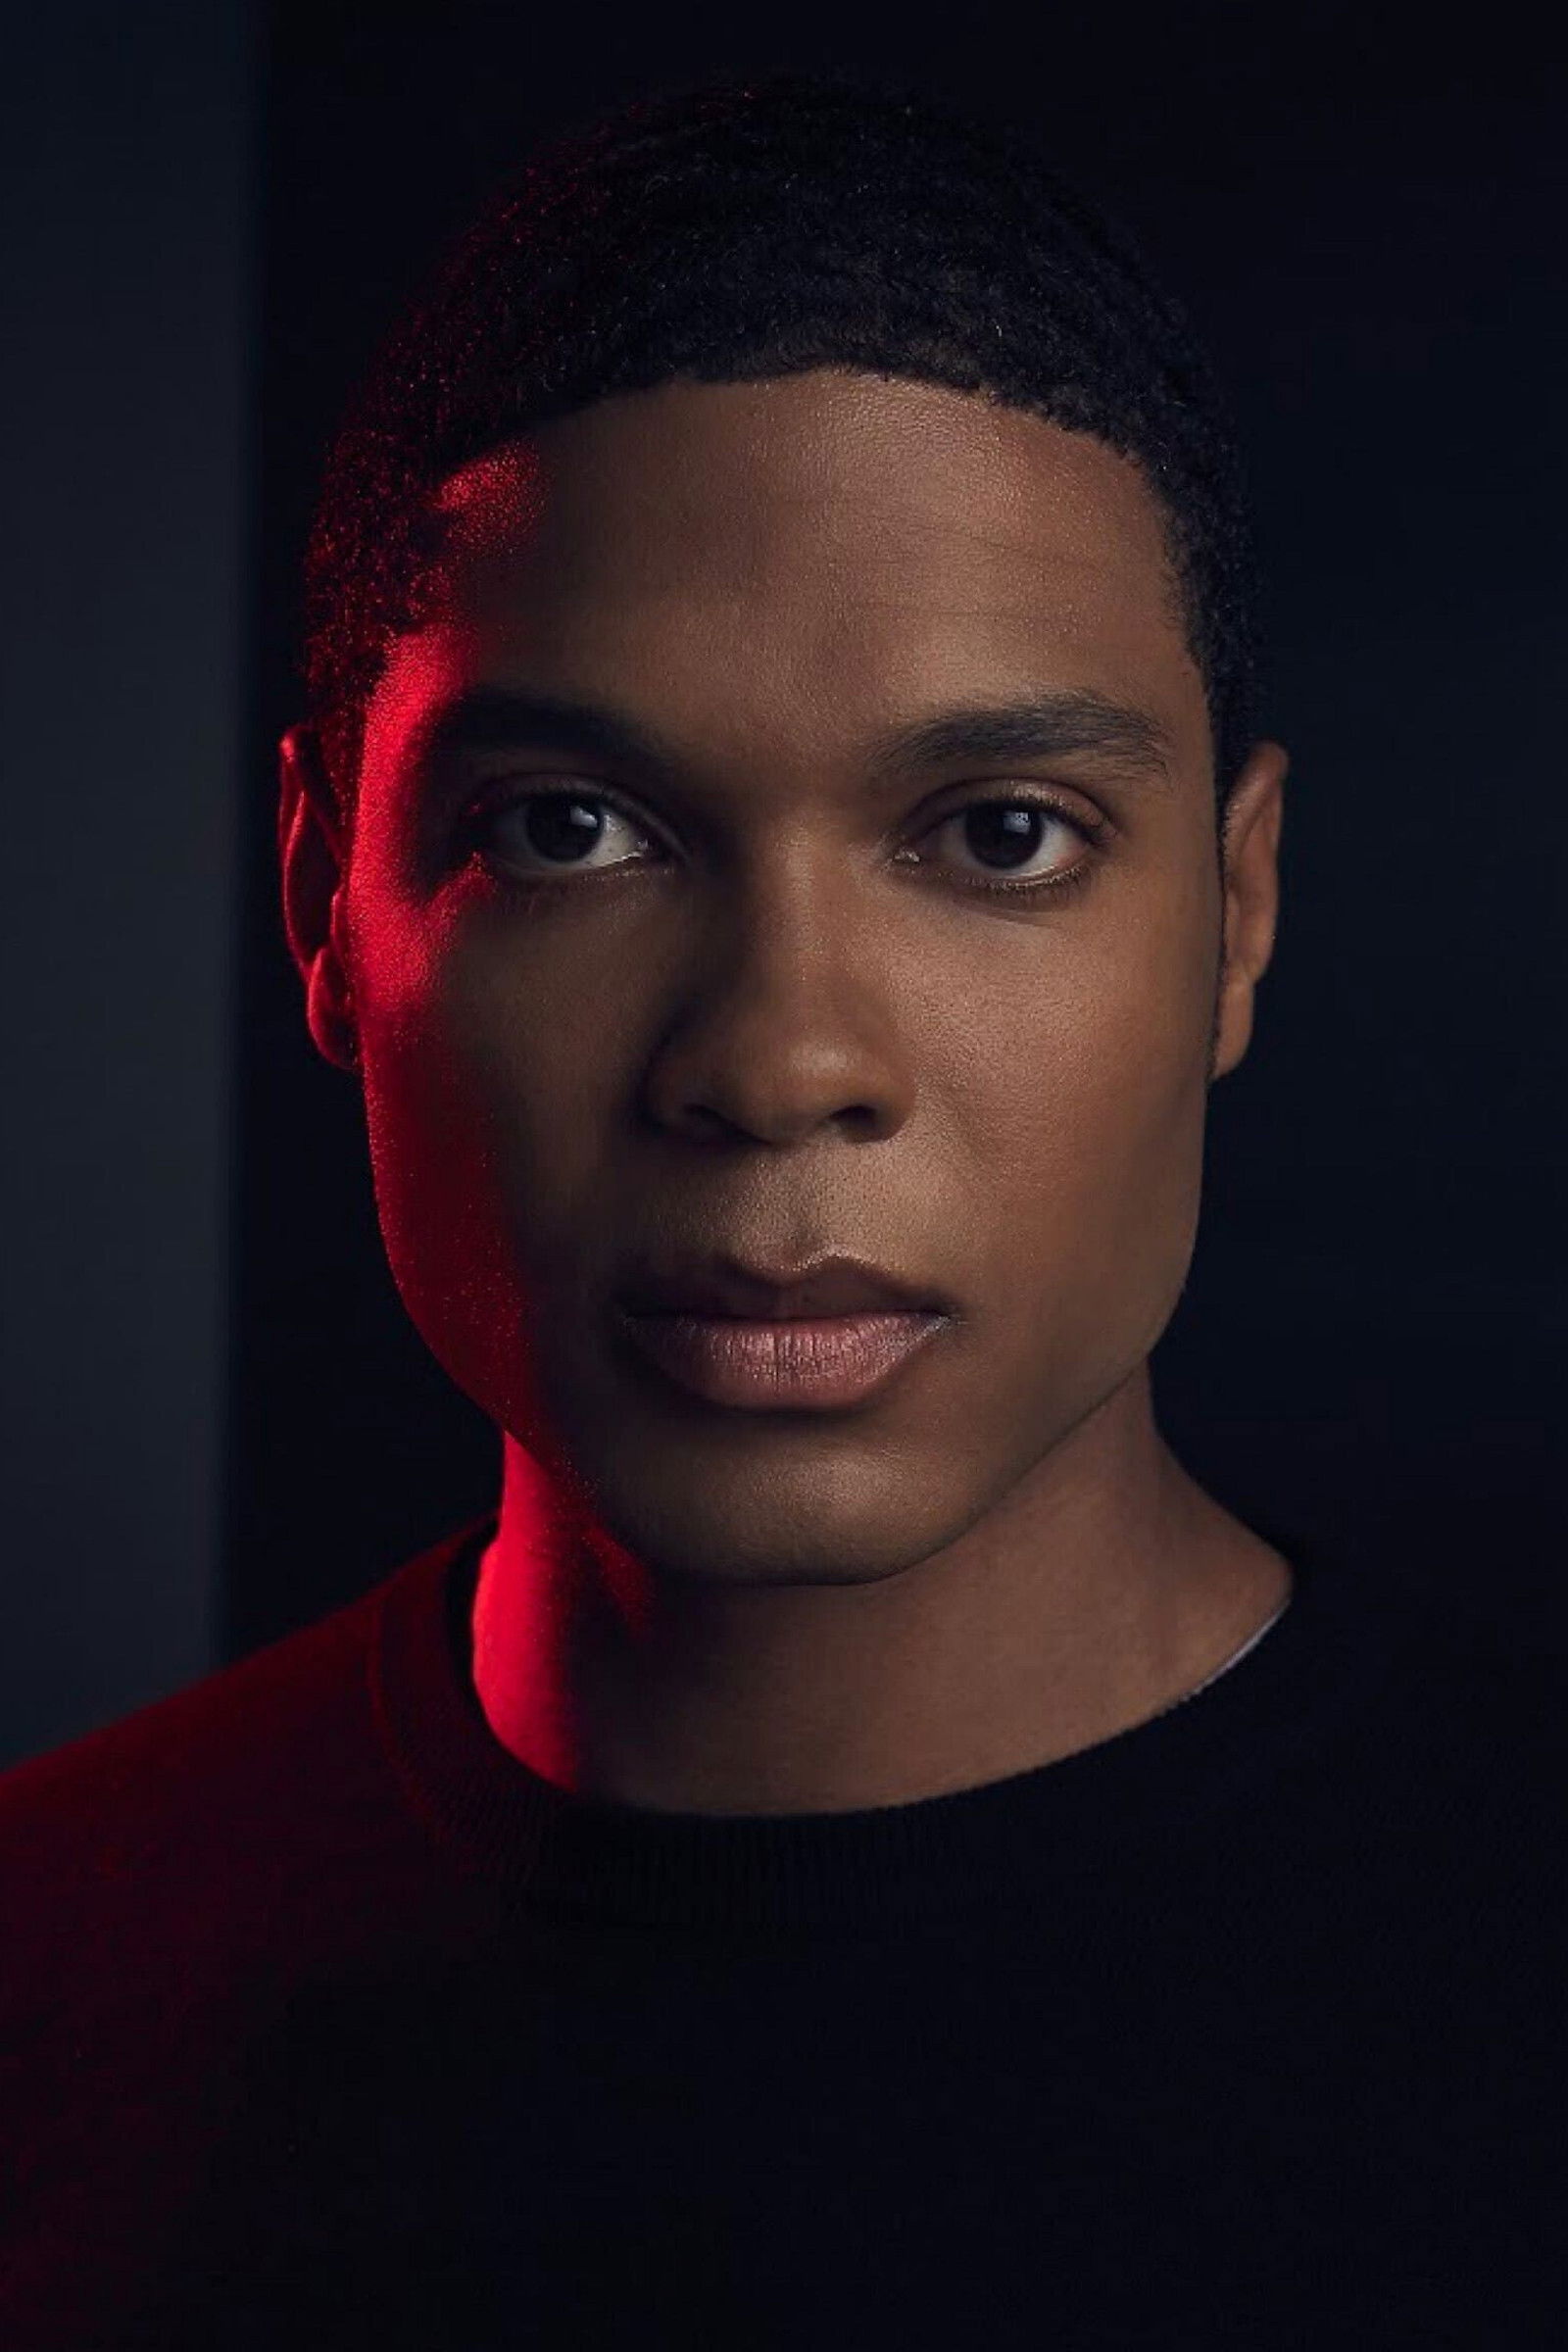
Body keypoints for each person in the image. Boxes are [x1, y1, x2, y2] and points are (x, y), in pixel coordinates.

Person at [1, 66, 1560, 2351]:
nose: (776, 1059)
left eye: (998, 833)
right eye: (566, 829)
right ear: (323, 902)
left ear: (1233, 912)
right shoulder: (41, 1976)